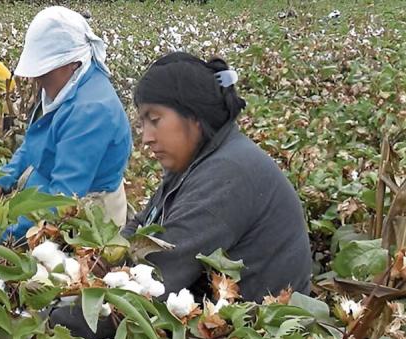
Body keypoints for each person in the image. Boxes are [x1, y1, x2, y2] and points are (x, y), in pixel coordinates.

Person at [124, 52, 312, 303]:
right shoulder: (197, 160)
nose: (146, 137)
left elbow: (153, 279)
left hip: (254, 325)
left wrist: (66, 312)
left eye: (155, 120)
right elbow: (142, 223)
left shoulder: (228, 172)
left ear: (194, 115)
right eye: (143, 123)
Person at [0, 6, 132, 240]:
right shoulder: (63, 87)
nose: (38, 78)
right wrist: (0, 181)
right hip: (43, 199)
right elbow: (33, 143)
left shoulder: (91, 111)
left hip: (85, 220)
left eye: (45, 71)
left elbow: (61, 201)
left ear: (73, 63)